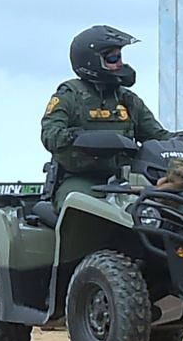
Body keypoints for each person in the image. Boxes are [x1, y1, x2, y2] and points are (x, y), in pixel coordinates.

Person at [39, 25, 174, 207]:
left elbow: (157, 136)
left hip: (126, 179)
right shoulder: (69, 96)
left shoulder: (128, 99)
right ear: (91, 62)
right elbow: (50, 134)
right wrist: (83, 139)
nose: (120, 64)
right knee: (77, 207)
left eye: (119, 57)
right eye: (112, 58)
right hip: (81, 179)